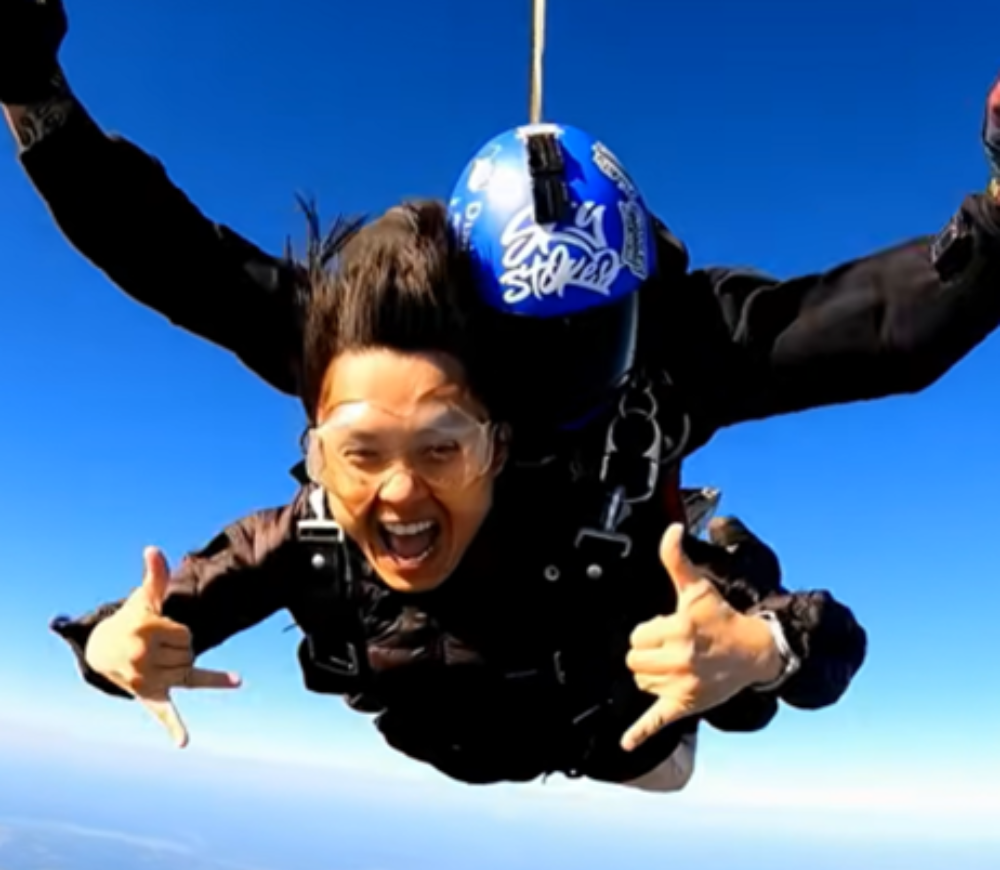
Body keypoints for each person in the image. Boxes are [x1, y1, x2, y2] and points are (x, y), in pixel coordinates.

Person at [50, 205, 867, 792]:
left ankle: (730, 546)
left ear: (496, 449)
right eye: (360, 451)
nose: (401, 491)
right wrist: (109, 649)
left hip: (603, 738)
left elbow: (827, 641)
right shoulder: (310, 539)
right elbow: (157, 615)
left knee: (685, 736)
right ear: (320, 457)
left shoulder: (586, 536)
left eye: (443, 449)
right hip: (449, 733)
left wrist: (764, 649)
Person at [4, 2, 1000, 465]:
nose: (558, 378)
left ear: (635, 298)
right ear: (466, 303)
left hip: (590, 671)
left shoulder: (681, 344)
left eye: (592, 332)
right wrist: (34, 96)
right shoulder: (396, 341)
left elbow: (883, 327)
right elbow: (181, 264)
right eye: (528, 338)